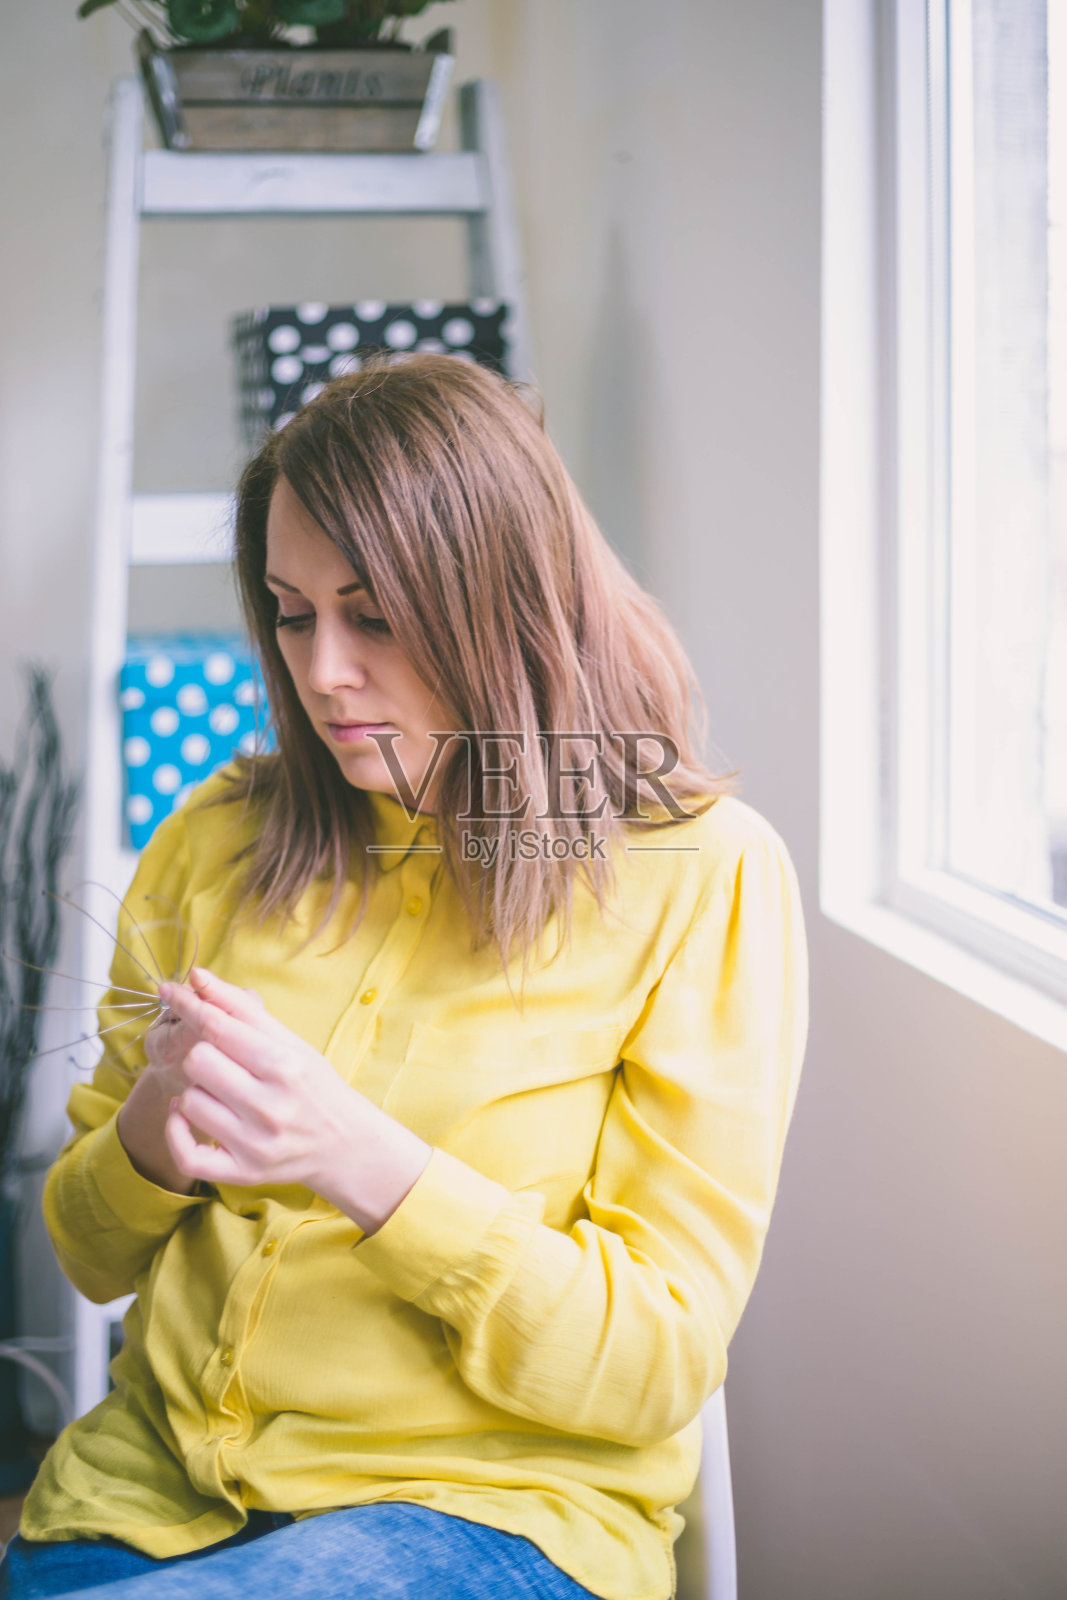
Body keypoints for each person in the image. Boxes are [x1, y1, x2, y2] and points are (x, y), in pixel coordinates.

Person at [3, 354, 809, 1600]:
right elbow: (89, 1252)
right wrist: (155, 1136)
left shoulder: (698, 877)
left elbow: (655, 1362)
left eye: (371, 615)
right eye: (290, 611)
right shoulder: (213, 838)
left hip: (485, 1513)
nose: (322, 671)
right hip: (144, 1495)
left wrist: (358, 1159)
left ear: (503, 604)